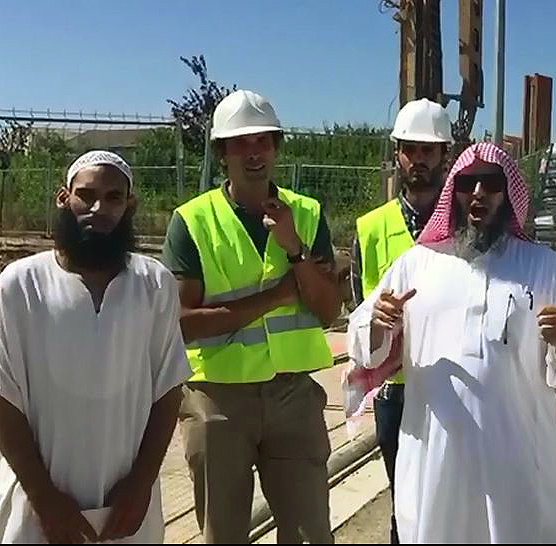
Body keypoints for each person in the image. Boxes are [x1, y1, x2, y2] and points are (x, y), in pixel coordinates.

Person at [345, 142, 556, 543]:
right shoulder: (418, 264)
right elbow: (363, 344)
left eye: (491, 182)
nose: (478, 192)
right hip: (436, 463)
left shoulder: (540, 266)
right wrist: (379, 326)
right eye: (468, 182)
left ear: (507, 193)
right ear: (455, 190)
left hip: (519, 461)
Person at [162, 90, 342, 544]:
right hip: (218, 400)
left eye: (264, 141)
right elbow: (181, 323)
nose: (254, 152)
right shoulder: (193, 221)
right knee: (225, 536)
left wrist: (295, 250)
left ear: (277, 148)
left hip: (293, 395)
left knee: (311, 535)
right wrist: (281, 294)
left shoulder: (306, 213)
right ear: (222, 152)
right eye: (241, 142)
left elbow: (325, 310)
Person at [0, 151, 189, 543]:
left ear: (130, 205)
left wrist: (141, 486)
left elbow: (168, 390)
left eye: (114, 197)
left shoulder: (154, 284)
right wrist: (44, 499)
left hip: (127, 509)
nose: (98, 208)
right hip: (39, 508)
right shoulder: (19, 285)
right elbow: (3, 399)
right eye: (85, 195)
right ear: (63, 198)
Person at [349, 98, 452, 544]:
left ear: (445, 156)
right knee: (404, 506)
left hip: (453, 384)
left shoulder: (464, 226)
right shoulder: (371, 228)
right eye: (410, 149)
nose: (419, 160)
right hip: (396, 393)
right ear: (397, 154)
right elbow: (356, 312)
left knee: (452, 497)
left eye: (429, 151)